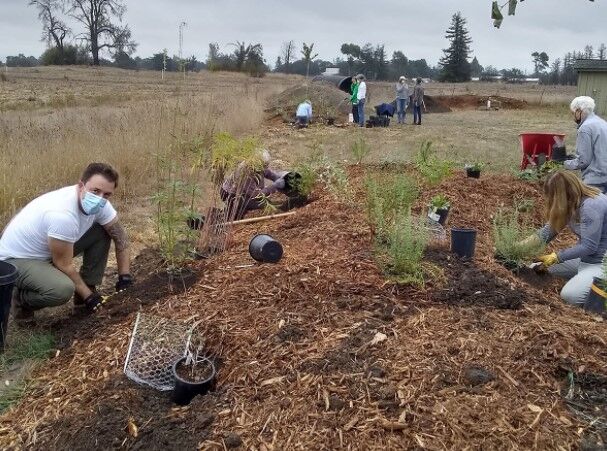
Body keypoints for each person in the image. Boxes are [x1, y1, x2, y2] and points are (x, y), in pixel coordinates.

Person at [0, 163, 133, 318]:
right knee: (62, 290)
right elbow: (63, 264)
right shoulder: (63, 214)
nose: (100, 199)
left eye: (107, 194)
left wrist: (125, 278)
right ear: (81, 185)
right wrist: (90, 298)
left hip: (50, 248)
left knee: (103, 231)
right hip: (17, 259)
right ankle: (21, 301)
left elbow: (121, 238)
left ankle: (86, 289)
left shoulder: (101, 205)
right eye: (95, 191)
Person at [521, 170, 607, 307]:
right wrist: (517, 248)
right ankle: (584, 280)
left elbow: (589, 246)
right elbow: (546, 233)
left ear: (564, 196)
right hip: (586, 260)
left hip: (601, 263)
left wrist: (557, 256)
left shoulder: (592, 206)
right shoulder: (572, 203)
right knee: (535, 268)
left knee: (569, 296)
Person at [220, 150, 287, 220]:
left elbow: (268, 173)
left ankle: (231, 212)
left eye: (266, 165)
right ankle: (225, 215)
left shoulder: (258, 165)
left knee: (244, 209)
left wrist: (279, 178)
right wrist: (274, 187)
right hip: (230, 194)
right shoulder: (245, 173)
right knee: (259, 204)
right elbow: (256, 195)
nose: (264, 167)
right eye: (264, 165)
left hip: (244, 193)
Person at [564, 96, 607, 192]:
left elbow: (583, 161)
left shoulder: (585, 128)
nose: (573, 117)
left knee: (591, 206)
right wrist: (574, 157)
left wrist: (563, 164)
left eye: (573, 113)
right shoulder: (602, 123)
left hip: (595, 180)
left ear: (579, 111)